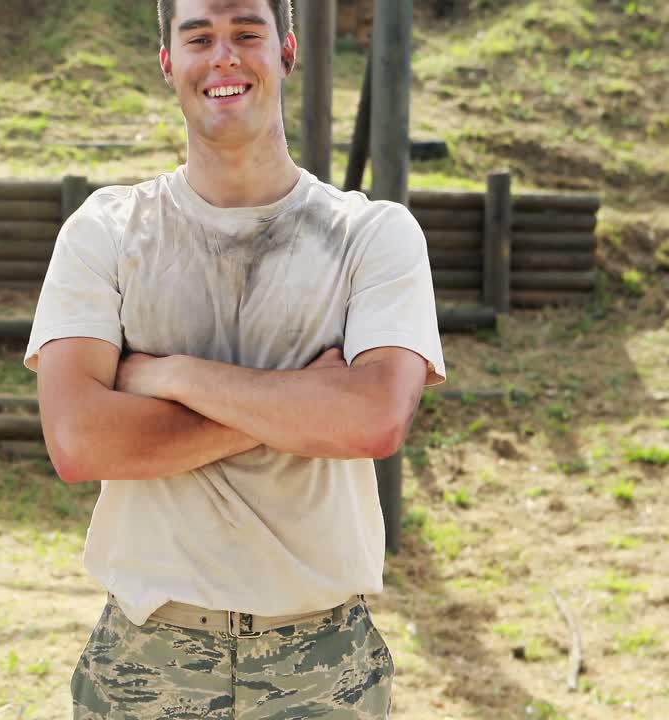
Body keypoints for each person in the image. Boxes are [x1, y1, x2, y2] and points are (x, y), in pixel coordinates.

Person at [26, 1, 445, 717]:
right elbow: (78, 441)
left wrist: (171, 377)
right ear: (168, 64)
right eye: (198, 38)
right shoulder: (106, 230)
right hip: (148, 659)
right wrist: (304, 404)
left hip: (321, 661)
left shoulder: (373, 236)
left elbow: (374, 420)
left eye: (245, 33)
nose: (223, 56)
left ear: (286, 51)